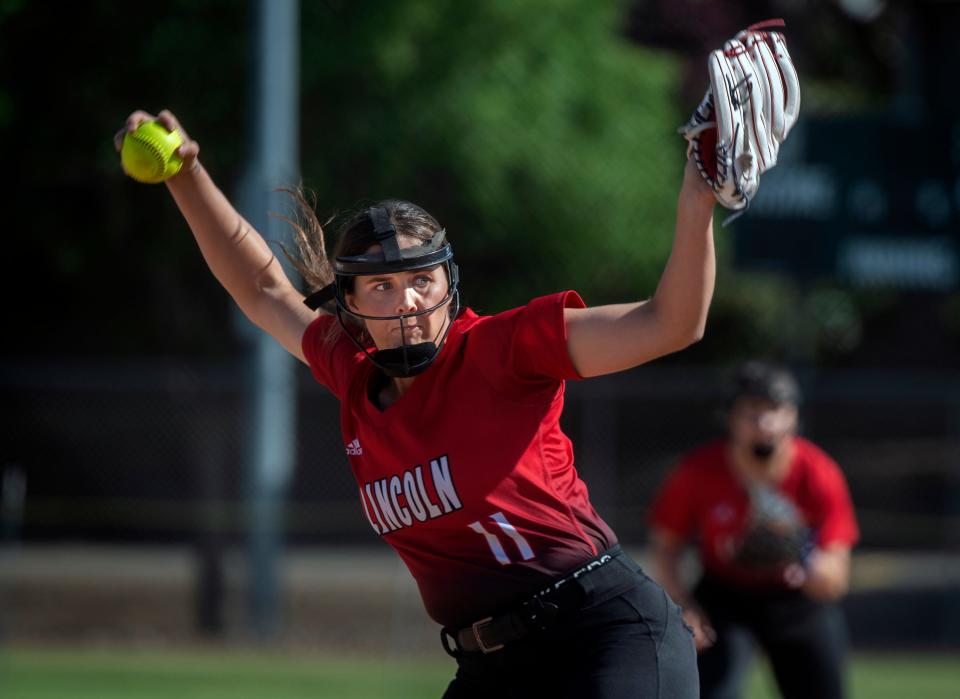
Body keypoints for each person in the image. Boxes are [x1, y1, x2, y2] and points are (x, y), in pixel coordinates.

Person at [115, 107, 717, 698]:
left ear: (447, 286)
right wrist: (184, 176)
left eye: (420, 280)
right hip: (492, 668)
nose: (405, 301)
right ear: (349, 303)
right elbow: (263, 288)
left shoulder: (501, 350)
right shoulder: (349, 371)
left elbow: (671, 323)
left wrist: (698, 197)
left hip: (604, 634)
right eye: (381, 285)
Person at [648, 360, 859, 699]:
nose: (765, 423)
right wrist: (683, 606)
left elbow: (835, 577)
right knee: (713, 690)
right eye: (752, 411)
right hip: (725, 596)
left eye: (776, 409)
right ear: (731, 418)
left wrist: (807, 560)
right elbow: (666, 546)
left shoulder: (817, 473)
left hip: (795, 600)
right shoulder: (698, 471)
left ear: (793, 416)